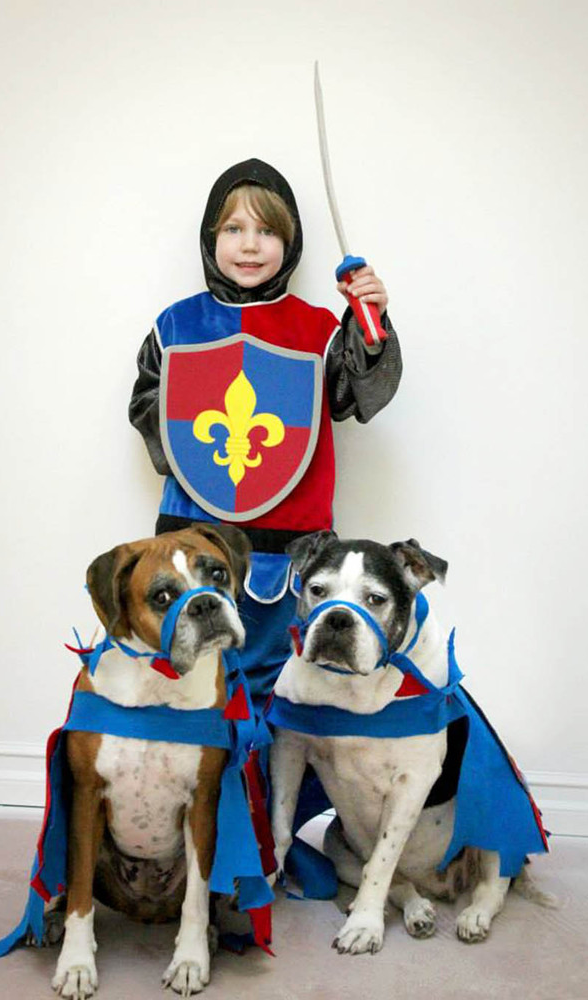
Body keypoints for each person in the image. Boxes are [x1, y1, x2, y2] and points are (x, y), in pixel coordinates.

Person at [129, 158, 402, 704]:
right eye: (234, 229)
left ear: (290, 242)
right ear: (212, 239)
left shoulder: (319, 328)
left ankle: (267, 791)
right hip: (194, 534)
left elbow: (359, 396)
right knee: (190, 684)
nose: (250, 246)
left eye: (267, 230)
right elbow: (150, 411)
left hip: (290, 545)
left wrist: (368, 325)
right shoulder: (176, 325)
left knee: (279, 688)